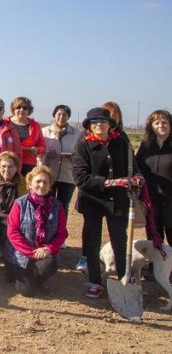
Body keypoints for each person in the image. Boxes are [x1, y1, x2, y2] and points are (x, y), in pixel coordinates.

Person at [72, 107, 143, 298]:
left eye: (103, 122)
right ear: (89, 126)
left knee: (120, 241)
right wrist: (108, 182)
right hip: (93, 201)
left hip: (118, 201)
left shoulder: (121, 142)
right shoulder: (84, 145)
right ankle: (95, 281)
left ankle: (124, 278)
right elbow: (80, 177)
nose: (99, 125)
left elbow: (133, 166)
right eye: (94, 122)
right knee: (92, 242)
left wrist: (137, 177)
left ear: (110, 124)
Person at [5, 166, 68, 297]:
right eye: (38, 181)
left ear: (50, 186)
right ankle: (15, 271)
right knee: (27, 291)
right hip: (21, 252)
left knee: (49, 265)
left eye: (45, 182)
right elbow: (12, 232)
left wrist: (49, 249)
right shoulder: (19, 204)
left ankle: (40, 279)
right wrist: (30, 252)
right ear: (30, 184)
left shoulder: (57, 206)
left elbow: (62, 233)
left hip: (44, 252)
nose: (41, 185)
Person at [136, 110, 172, 244]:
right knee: (154, 236)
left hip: (170, 200)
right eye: (156, 123)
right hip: (150, 198)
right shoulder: (146, 145)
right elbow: (137, 165)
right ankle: (155, 264)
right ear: (151, 126)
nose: (161, 125)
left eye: (164, 122)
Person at [42, 105, 80, 220]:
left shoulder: (77, 133)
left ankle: (61, 233)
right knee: (48, 204)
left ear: (68, 117)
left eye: (65, 115)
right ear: (54, 115)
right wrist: (47, 154)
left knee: (63, 206)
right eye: (59, 114)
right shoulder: (44, 132)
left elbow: (82, 153)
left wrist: (74, 156)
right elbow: (39, 151)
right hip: (49, 174)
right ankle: (47, 232)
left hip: (68, 175)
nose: (61, 117)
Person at [8, 97, 46, 175]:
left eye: (25, 108)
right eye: (18, 107)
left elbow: (43, 147)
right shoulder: (5, 123)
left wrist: (37, 150)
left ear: (29, 110)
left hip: (28, 165)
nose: (21, 110)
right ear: (13, 109)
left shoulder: (35, 126)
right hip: (8, 163)